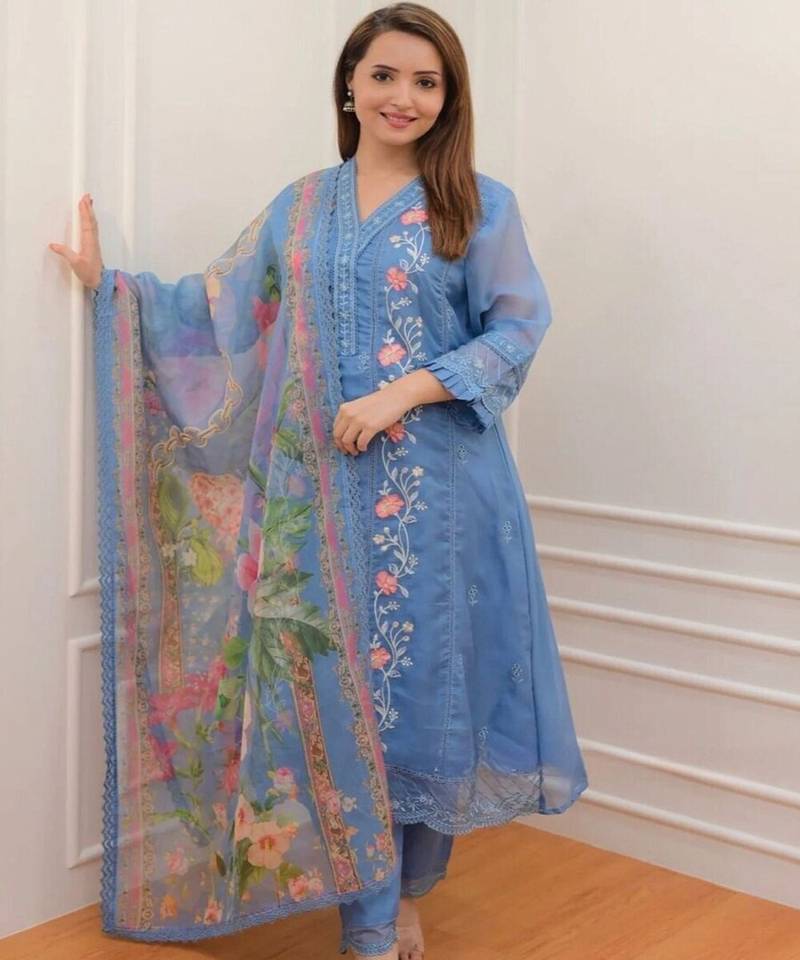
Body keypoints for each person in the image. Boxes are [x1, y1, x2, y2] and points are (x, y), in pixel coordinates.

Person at [48, 3, 588, 958]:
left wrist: (401, 392)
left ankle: (398, 900)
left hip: (440, 503)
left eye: (427, 82)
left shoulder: (478, 204)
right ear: (350, 84)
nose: (403, 97)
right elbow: (221, 312)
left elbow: (517, 328)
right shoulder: (301, 208)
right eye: (385, 75)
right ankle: (368, 919)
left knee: (421, 708)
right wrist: (113, 288)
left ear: (449, 97)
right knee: (343, 710)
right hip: (314, 505)